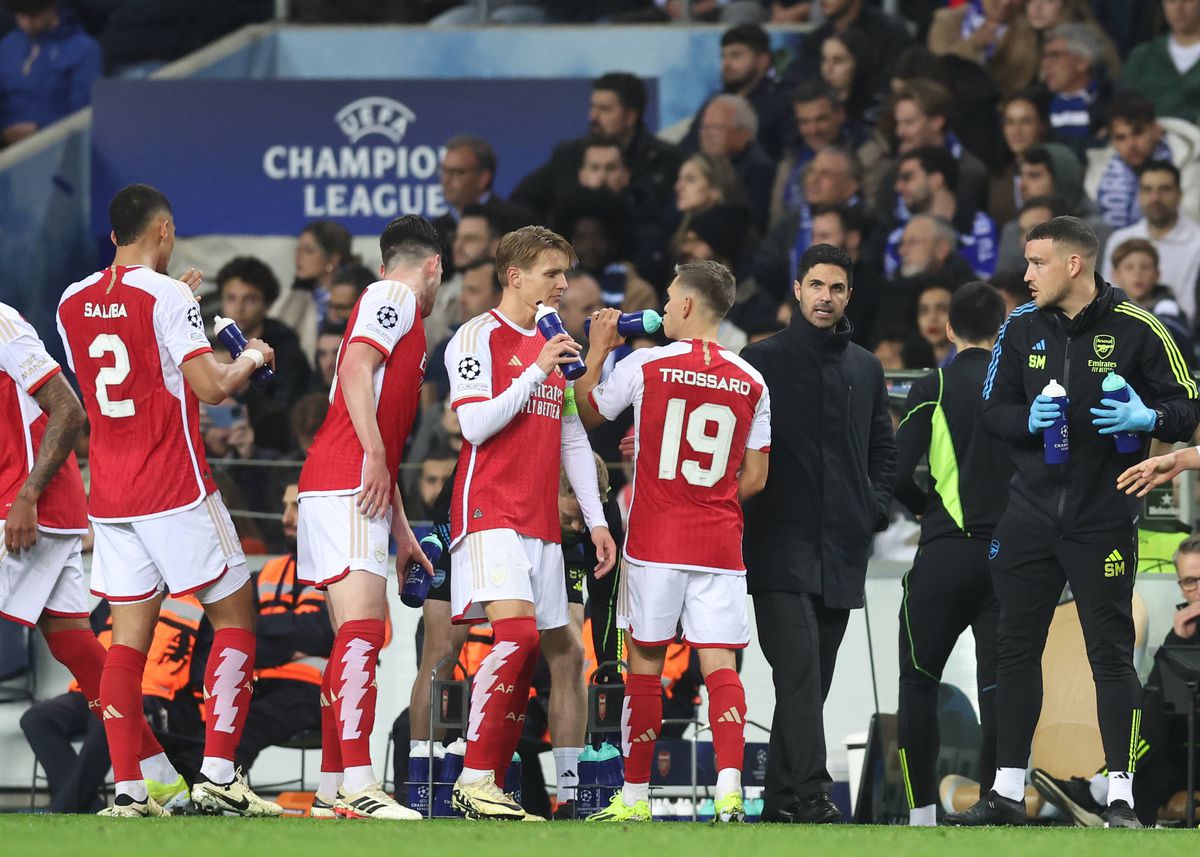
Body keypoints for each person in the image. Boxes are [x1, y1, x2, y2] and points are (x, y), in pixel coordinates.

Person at [948, 215, 1200, 828]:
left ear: (1073, 264)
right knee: (1014, 652)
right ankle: (1006, 790)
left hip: (1102, 515)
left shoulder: (1141, 329)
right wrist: (1028, 419)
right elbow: (992, 411)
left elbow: (1187, 404)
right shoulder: (1018, 328)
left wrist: (1148, 419)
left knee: (1110, 656)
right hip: (1028, 514)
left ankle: (1120, 797)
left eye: (1036, 263)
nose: (1026, 274)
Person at [56, 183, 280, 818]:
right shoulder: (169, 298)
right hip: (175, 485)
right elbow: (209, 388)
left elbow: (115, 365)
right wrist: (251, 358)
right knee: (237, 617)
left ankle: (130, 790)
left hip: (113, 495)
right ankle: (217, 777)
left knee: (127, 644)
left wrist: (174, 301)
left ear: (113, 236)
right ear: (165, 230)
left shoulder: (72, 301)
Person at [573, 260, 771, 823]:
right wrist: (710, 498)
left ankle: (635, 798)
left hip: (657, 539)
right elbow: (755, 478)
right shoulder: (751, 379)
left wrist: (598, 348)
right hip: (720, 542)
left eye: (667, 298)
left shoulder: (645, 363)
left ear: (685, 305)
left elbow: (584, 412)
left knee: (646, 663)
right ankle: (730, 792)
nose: (661, 308)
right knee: (720, 666)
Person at [443, 225, 616, 820]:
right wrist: (536, 367)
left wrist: (594, 520)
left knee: (532, 657)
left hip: (542, 521)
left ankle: (488, 783)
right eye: (551, 273)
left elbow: (569, 432)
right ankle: (472, 775)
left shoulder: (557, 341)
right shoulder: (476, 337)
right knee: (514, 639)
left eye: (565, 273)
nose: (564, 284)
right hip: (489, 509)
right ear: (515, 277)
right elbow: (474, 426)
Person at [1, 297, 191, 815]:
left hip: (23, 509)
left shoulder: (3, 322)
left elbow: (68, 408)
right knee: (79, 651)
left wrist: (26, 497)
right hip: (39, 508)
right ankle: (161, 779)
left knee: (81, 651)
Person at [740, 244, 897, 823]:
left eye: (836, 288)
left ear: (848, 295)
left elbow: (885, 452)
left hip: (842, 550)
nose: (825, 297)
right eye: (816, 286)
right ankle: (810, 793)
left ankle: (780, 800)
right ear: (797, 290)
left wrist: (872, 510)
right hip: (777, 545)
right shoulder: (758, 360)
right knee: (801, 669)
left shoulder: (866, 367)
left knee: (811, 681)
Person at [296, 214, 444, 821]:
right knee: (363, 632)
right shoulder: (394, 296)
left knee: (351, 635)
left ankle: (334, 787)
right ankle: (360, 782)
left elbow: (379, 416)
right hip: (348, 477)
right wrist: (376, 458)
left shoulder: (397, 310)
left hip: (347, 482)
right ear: (433, 267)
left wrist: (402, 530)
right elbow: (355, 366)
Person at [892, 282, 1010, 826]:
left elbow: (894, 473)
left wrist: (923, 507)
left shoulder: (932, 385)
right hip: (1007, 562)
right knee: (1001, 687)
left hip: (944, 555)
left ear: (947, 329)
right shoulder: (1022, 388)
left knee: (918, 682)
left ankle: (922, 816)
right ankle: (994, 802)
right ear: (1002, 329)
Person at [1030, 533, 1200, 827]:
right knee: (1144, 780)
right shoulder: (1185, 628)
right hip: (1182, 754)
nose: (1197, 590)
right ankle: (1113, 824)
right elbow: (1170, 694)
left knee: (1153, 705)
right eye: (1189, 582)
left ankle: (1096, 788)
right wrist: (1178, 641)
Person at [20, 596, 204, 813]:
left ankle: (64, 807)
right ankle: (88, 807)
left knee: (112, 716)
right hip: (96, 687)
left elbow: (203, 672)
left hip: (156, 697)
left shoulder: (198, 601)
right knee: (37, 719)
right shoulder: (122, 589)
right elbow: (87, 641)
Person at [236, 483, 332, 775]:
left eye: (296, 507)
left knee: (241, 725)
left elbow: (327, 633)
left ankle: (216, 799)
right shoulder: (266, 572)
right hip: (264, 683)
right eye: (285, 507)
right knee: (212, 716)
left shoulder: (342, 571)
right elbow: (240, 632)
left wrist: (264, 630)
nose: (285, 518)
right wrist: (292, 645)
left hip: (318, 691)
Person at [511, 72, 683, 223]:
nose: (593, 116)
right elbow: (521, 204)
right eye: (593, 106)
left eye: (605, 109)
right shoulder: (569, 155)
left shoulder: (665, 160)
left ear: (630, 116)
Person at [217, 256, 313, 446]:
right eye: (231, 298)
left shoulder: (287, 352)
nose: (238, 308)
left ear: (267, 304)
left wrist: (245, 383)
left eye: (250, 299)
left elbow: (286, 416)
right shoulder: (210, 346)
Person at [1100, 161, 1200, 323]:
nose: (1155, 198)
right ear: (1139, 195)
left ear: (1179, 194)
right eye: (1148, 190)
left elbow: (1190, 311)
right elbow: (1106, 299)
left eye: (1164, 189)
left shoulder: (1197, 242)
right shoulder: (1119, 239)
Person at [681, 23, 795, 161]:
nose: (726, 64)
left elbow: (788, 158)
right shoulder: (716, 102)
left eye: (735, 55)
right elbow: (686, 149)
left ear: (762, 61)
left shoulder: (783, 103)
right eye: (723, 56)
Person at [0, 0, 101, 145]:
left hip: (57, 148)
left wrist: (39, 129)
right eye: (20, 15)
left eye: (33, 15)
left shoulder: (83, 49)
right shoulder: (7, 46)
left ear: (51, 7)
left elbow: (84, 115)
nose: (26, 23)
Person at [697, 94, 775, 232]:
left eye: (716, 127)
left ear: (743, 133)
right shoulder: (704, 165)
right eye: (704, 127)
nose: (707, 134)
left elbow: (753, 224)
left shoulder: (758, 170)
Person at [1108, 238, 1194, 360]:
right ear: (1115, 274)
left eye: (1145, 267)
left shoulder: (1171, 313)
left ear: (1157, 274)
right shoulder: (1104, 312)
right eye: (1129, 267)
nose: (1138, 273)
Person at [1037, 23, 1111, 159]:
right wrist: (1092, 143)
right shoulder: (1035, 103)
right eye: (1044, 56)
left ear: (1082, 63)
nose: (1046, 64)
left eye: (1055, 56)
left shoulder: (1113, 99)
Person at [1121, 0, 1200, 122]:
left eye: (1187, 0)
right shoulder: (1142, 57)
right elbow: (1122, 106)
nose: (1179, 8)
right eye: (1171, 1)